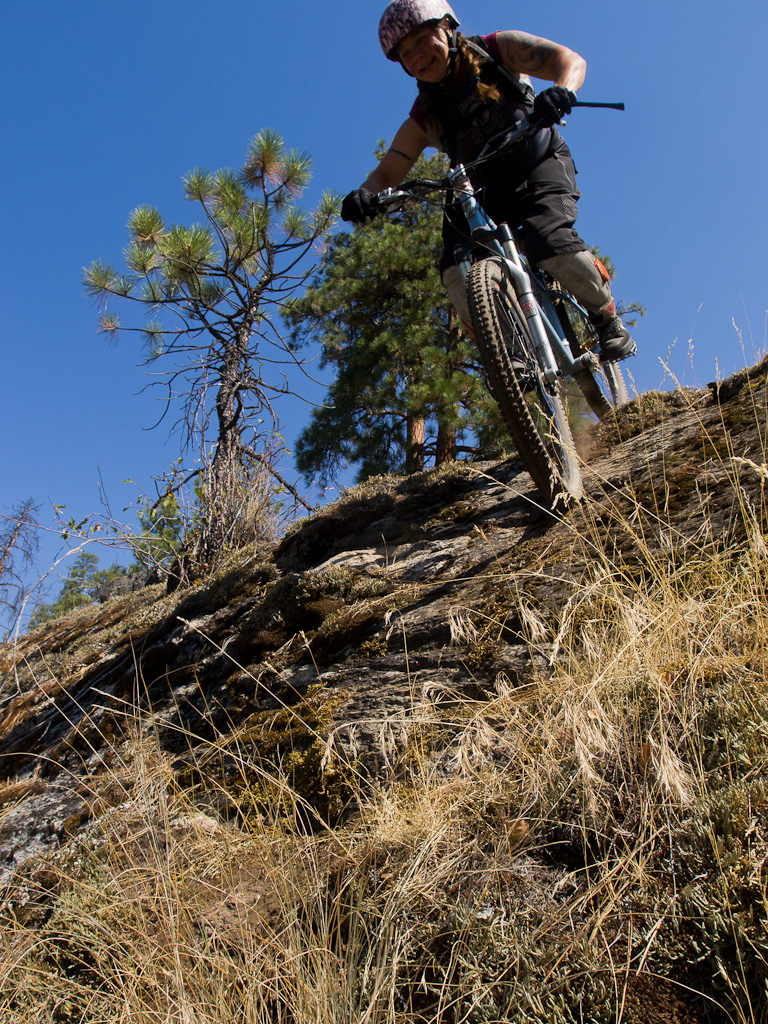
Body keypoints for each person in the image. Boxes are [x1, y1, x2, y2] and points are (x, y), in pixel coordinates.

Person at [341, 0, 635, 362]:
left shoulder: (496, 51)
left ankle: (606, 317)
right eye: (405, 53)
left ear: (447, 28)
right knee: (456, 270)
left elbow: (569, 61)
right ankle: (510, 356)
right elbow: (386, 174)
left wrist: (562, 90)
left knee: (549, 240)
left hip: (538, 162)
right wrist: (363, 196)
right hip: (482, 192)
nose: (417, 56)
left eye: (422, 40)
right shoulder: (425, 115)